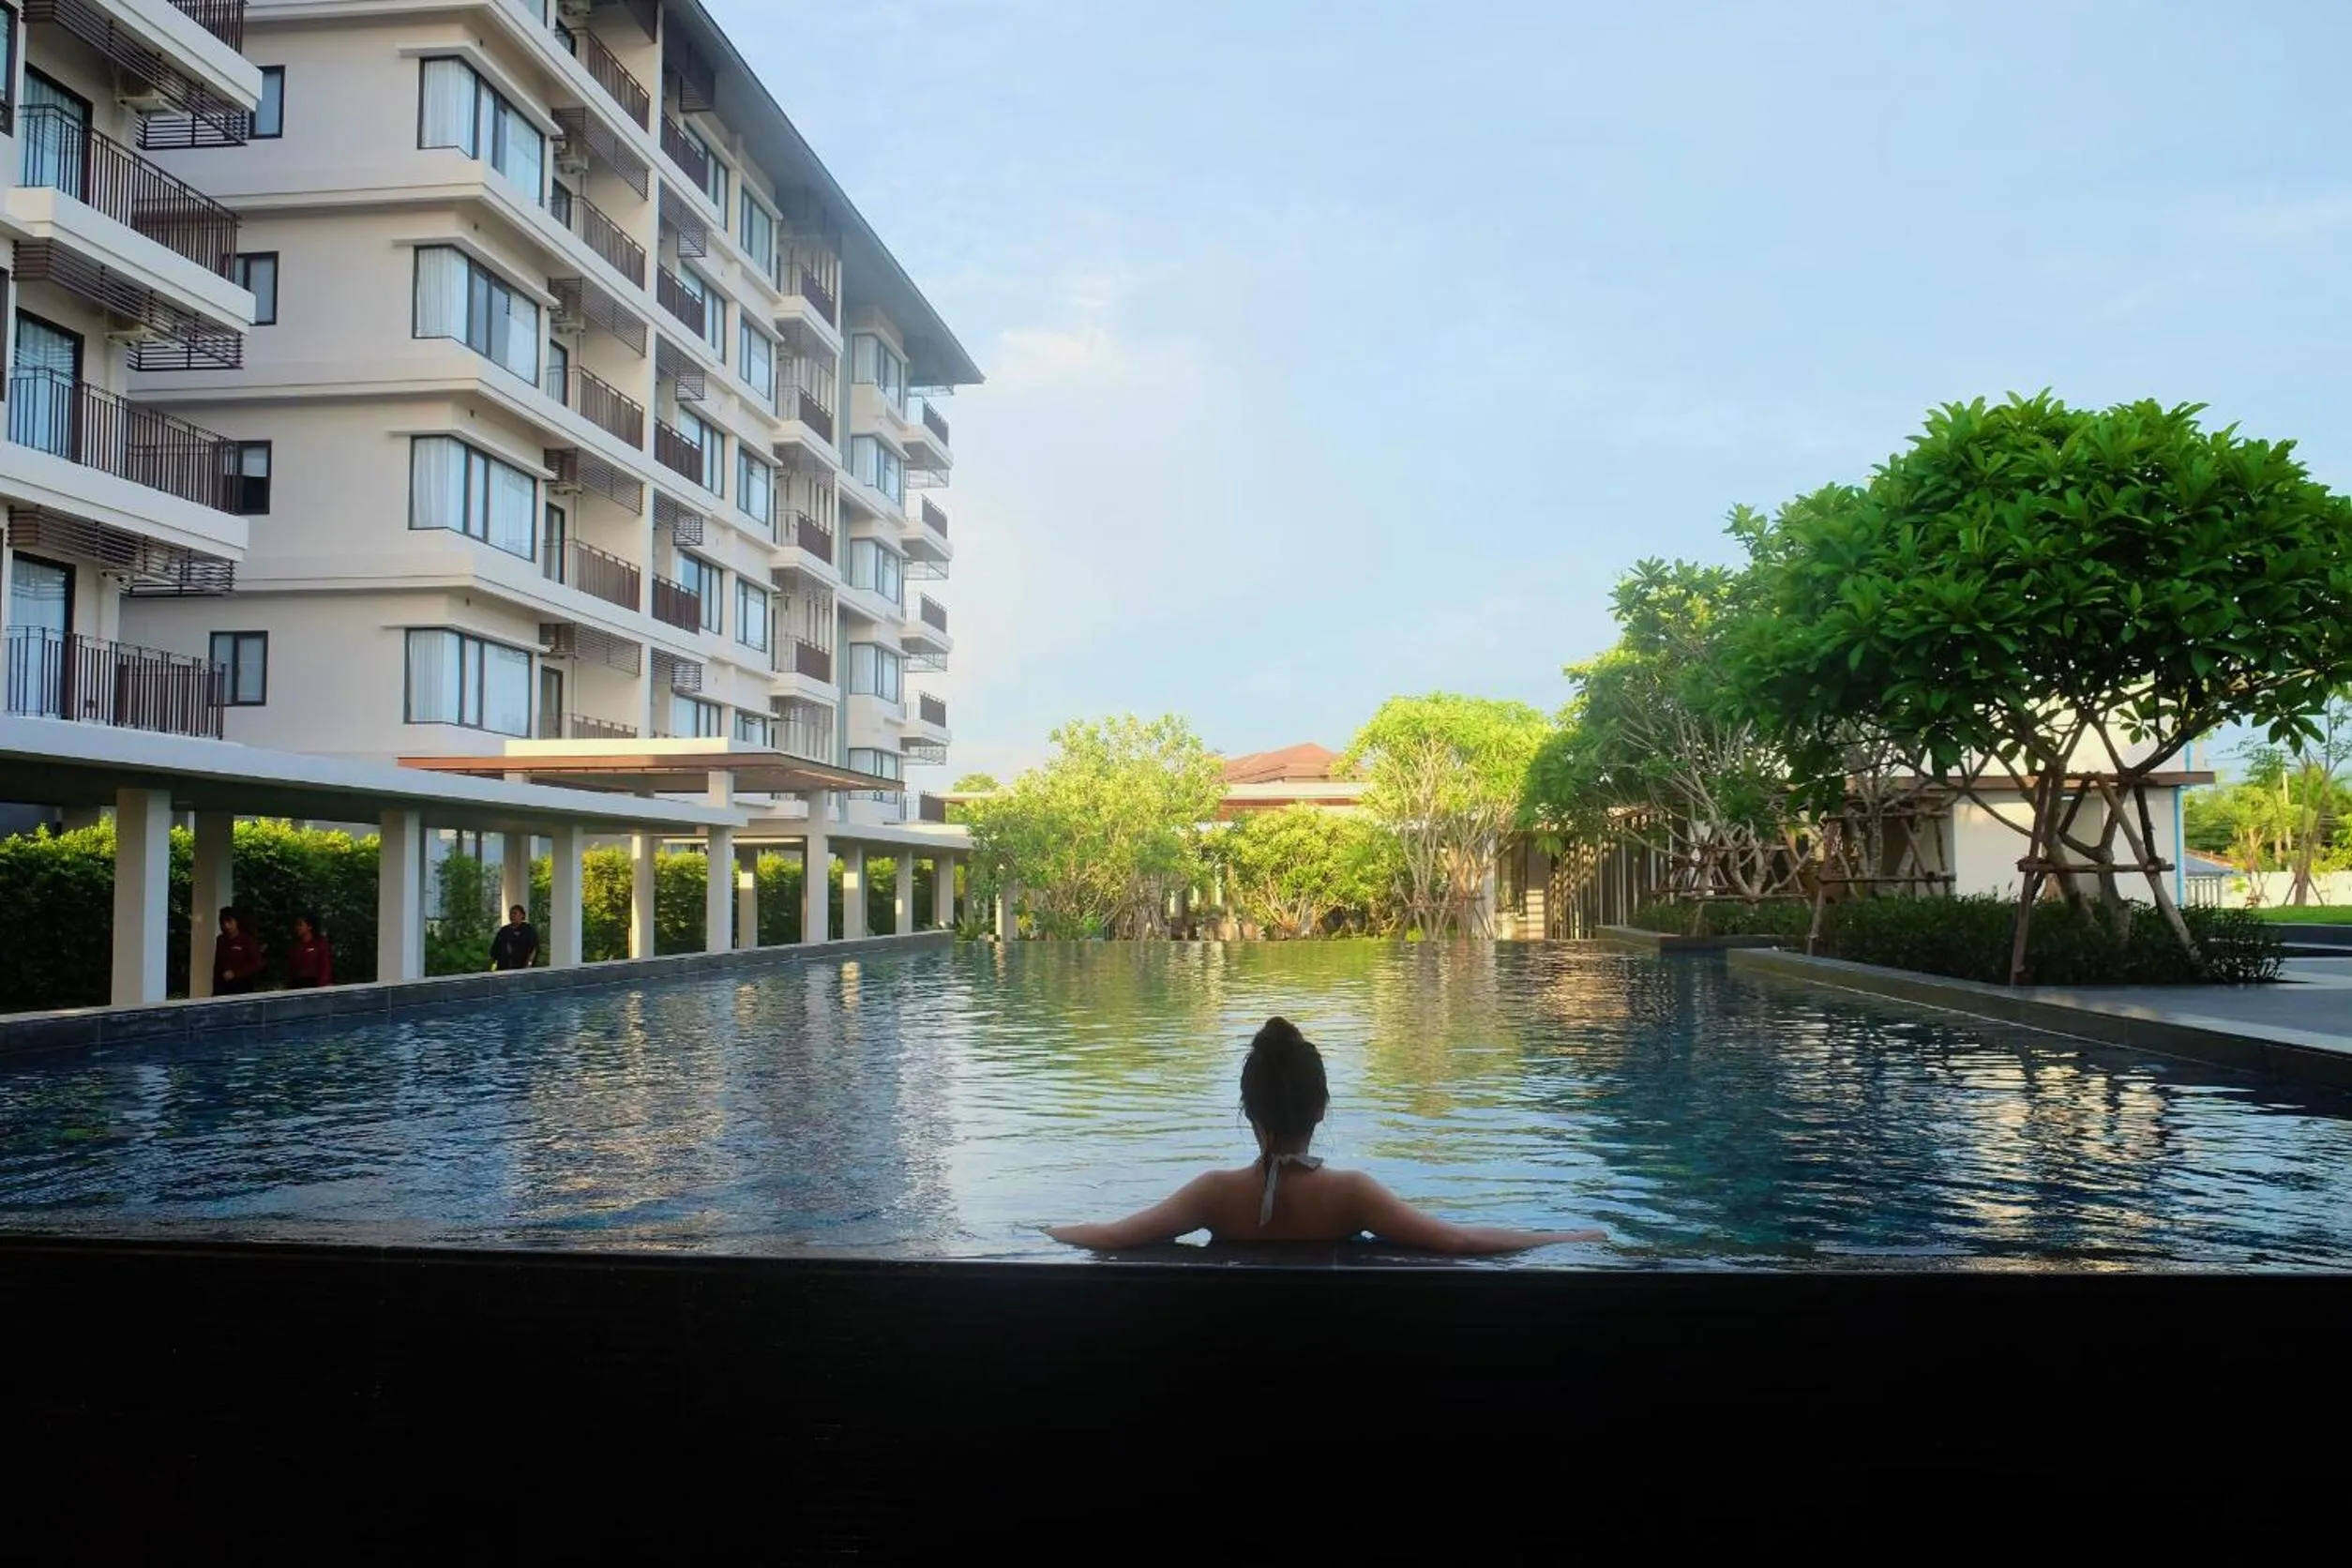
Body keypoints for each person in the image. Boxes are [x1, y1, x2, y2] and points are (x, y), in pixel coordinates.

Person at [1047, 1017, 1608, 1255]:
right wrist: (1562, 1239)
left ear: (1248, 1112)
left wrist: (1045, 1228)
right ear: (1321, 1109)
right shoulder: (1350, 1194)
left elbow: (1113, 1238)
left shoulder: (1215, 1193)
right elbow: (1456, 1242)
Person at [212, 908, 265, 996]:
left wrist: (236, 973)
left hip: (242, 986)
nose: (226, 926)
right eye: (223, 922)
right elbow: (217, 965)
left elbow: (256, 963)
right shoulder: (220, 940)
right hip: (223, 987)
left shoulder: (247, 940)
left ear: (236, 922)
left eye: (229, 922)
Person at [285, 912, 333, 988]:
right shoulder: (295, 946)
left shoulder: (320, 943)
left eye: (300, 925)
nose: (297, 928)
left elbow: (325, 965)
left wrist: (322, 985)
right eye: (296, 925)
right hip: (298, 985)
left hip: (316, 984)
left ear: (309, 926)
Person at [490, 904, 538, 972]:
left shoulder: (527, 929)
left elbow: (534, 948)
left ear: (522, 915)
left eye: (515, 913)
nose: (512, 916)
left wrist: (529, 964)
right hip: (504, 967)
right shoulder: (504, 930)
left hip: (522, 967)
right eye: (511, 913)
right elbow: (495, 950)